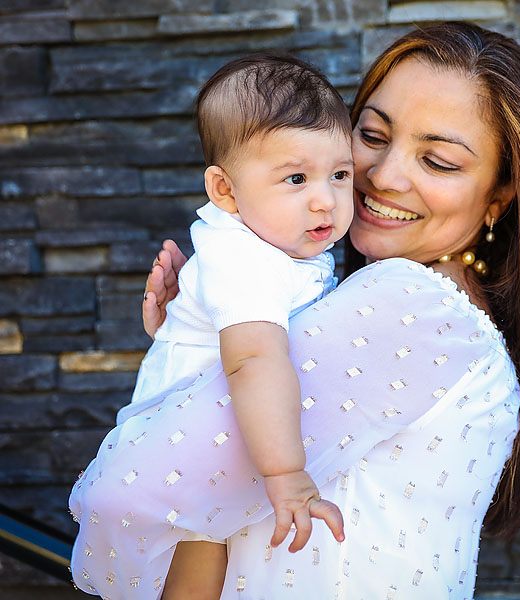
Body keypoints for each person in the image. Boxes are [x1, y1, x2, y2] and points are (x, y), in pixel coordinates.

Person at [97, 21, 520, 600]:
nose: (383, 177)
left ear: (498, 196)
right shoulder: (441, 310)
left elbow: (136, 482)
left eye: (437, 161)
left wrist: (187, 364)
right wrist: (205, 327)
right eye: (372, 135)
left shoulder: (409, 306)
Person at [68, 54, 353, 598]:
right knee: (200, 544)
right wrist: (287, 472)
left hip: (218, 419)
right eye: (296, 177)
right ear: (224, 191)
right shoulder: (247, 257)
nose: (326, 198)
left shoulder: (278, 238)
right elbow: (254, 359)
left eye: (339, 174)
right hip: (183, 437)